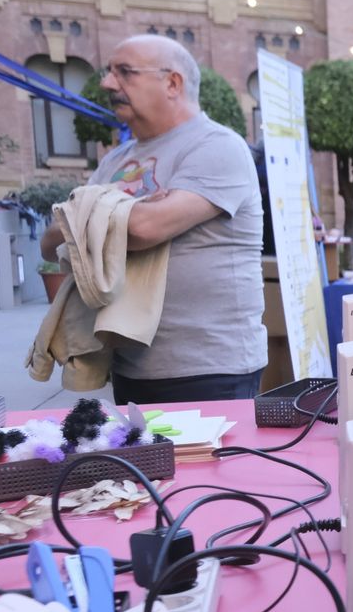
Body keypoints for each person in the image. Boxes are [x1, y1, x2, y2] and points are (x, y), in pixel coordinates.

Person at [40, 34, 265, 404]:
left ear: (172, 83)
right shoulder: (116, 159)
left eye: (125, 72)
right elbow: (51, 242)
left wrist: (97, 209)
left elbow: (146, 228)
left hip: (210, 369)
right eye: (109, 72)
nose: (107, 83)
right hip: (130, 366)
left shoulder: (217, 146)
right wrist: (123, 209)